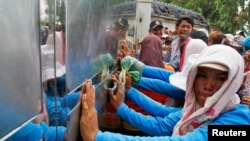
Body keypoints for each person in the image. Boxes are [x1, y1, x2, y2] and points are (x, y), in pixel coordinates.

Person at [80, 45, 250, 140]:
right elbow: (164, 120)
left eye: (221, 79)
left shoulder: (237, 124)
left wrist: (98, 137)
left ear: (233, 83)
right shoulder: (197, 112)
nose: (208, 85)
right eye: (202, 75)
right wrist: (129, 90)